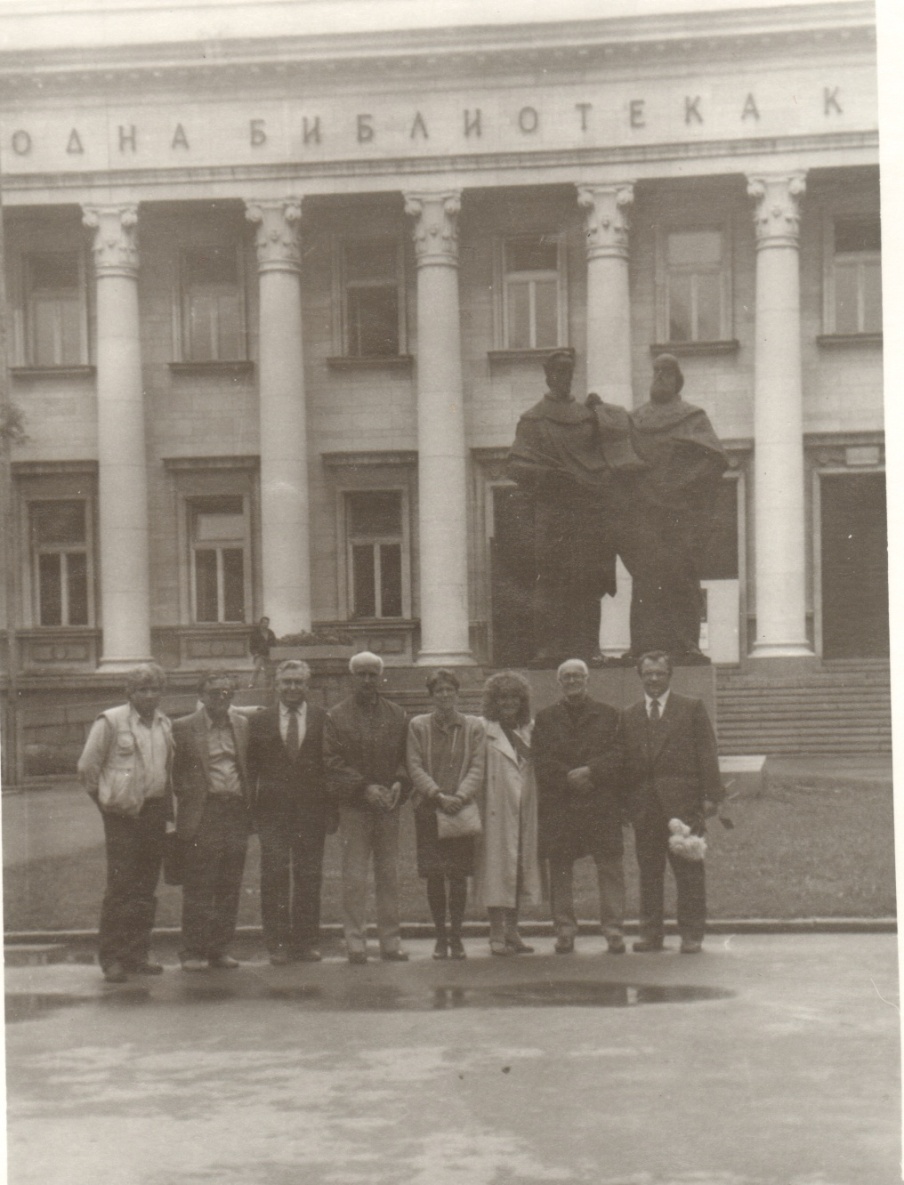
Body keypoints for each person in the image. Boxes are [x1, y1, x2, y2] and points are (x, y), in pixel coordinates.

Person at [508, 350, 635, 665]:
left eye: (569, 371)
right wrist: (551, 475)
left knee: (589, 584)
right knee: (551, 583)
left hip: (588, 513)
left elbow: (616, 449)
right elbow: (516, 465)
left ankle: (588, 647)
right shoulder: (533, 419)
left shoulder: (586, 416)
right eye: (559, 371)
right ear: (548, 375)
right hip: (553, 513)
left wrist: (602, 413)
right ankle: (550, 648)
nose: (564, 376)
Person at [618, 353, 728, 661]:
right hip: (645, 510)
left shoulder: (692, 417)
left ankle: (685, 643)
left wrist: (681, 483)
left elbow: (715, 459)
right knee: (645, 578)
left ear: (677, 380)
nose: (660, 378)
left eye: (666, 373)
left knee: (681, 575)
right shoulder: (635, 419)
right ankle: (641, 645)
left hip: (679, 512)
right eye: (656, 372)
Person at [620, 651, 724, 954]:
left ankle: (692, 934)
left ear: (670, 675)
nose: (654, 679)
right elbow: (625, 763)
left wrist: (711, 796)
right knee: (649, 874)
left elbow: (707, 752)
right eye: (648, 673)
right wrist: (627, 804)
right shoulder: (629, 714)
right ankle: (651, 933)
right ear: (640, 676)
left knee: (689, 873)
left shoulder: (690, 708)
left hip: (683, 807)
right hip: (645, 808)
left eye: (660, 673)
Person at [77, 663, 174, 983]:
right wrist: (106, 805)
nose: (149, 695)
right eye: (141, 689)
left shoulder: (164, 723)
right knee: (121, 886)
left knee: (146, 887)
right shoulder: (111, 720)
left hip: (154, 812)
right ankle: (112, 958)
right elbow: (87, 769)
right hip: (122, 816)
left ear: (162, 692)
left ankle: (136, 954)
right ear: (129, 693)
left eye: (154, 688)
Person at [532, 658, 626, 955]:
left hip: (600, 803)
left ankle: (613, 930)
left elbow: (619, 753)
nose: (572, 681)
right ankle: (564, 931)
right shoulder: (545, 718)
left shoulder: (610, 715)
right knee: (560, 869)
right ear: (558, 683)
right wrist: (567, 777)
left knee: (610, 866)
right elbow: (541, 758)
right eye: (566, 677)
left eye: (577, 676)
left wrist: (592, 772)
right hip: (562, 805)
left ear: (588, 680)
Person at [323, 651, 411, 964]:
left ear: (381, 677)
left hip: (388, 806)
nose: (367, 680)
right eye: (361, 674)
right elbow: (331, 762)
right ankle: (355, 942)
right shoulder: (336, 715)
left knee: (389, 874)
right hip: (355, 808)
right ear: (352, 677)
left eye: (373, 674)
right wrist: (364, 788)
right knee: (355, 876)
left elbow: (406, 756)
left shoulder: (398, 714)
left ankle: (391, 941)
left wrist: (401, 782)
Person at [247, 659, 333, 965]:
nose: (292, 688)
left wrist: (331, 811)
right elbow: (250, 771)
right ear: (276, 685)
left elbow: (330, 768)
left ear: (307, 686)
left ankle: (306, 943)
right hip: (272, 813)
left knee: (309, 876)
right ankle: (278, 944)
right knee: (274, 876)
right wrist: (251, 815)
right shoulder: (260, 721)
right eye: (287, 682)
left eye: (298, 682)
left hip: (312, 812)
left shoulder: (324, 719)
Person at [172, 672, 253, 971]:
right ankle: (192, 951)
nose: (221, 698)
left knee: (229, 883)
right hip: (203, 812)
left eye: (227, 692)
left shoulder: (242, 725)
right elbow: (174, 772)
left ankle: (220, 949)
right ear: (202, 696)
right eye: (215, 692)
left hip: (235, 811)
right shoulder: (183, 727)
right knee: (199, 883)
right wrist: (188, 799)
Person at [407, 669, 486, 960]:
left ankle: (457, 935)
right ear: (431, 695)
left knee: (457, 875)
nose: (444, 695)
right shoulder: (418, 725)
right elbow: (414, 765)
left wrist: (460, 796)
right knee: (434, 876)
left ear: (457, 693)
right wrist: (437, 795)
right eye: (438, 691)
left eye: (449, 690)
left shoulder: (473, 726)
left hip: (460, 808)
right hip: (430, 807)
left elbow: (478, 765)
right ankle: (440, 937)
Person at [473, 671, 543, 956]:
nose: (509, 702)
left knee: (518, 868)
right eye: (503, 697)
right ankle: (496, 933)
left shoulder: (530, 730)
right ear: (493, 700)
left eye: (514, 697)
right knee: (496, 868)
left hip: (525, 807)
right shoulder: (482, 729)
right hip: (495, 808)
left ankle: (513, 931)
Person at [248, 616, 277, 688]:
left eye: (267, 623)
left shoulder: (270, 632)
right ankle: (251, 683)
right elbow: (251, 645)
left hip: (269, 654)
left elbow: (274, 643)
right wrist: (255, 653)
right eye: (264, 623)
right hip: (259, 654)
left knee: (269, 670)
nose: (266, 624)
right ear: (260, 623)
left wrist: (273, 652)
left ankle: (268, 684)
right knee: (256, 669)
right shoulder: (255, 633)